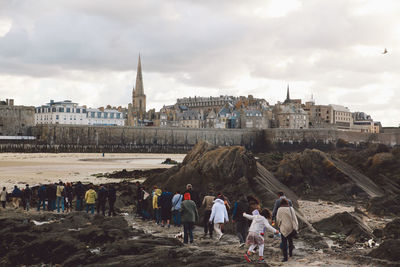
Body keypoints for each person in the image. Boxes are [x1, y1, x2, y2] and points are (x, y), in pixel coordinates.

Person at [276, 198, 298, 262]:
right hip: (291, 227)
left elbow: (278, 219)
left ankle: (285, 258)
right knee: (290, 241)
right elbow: (294, 219)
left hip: (284, 228)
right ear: (287, 203)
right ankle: (291, 254)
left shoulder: (279, 209)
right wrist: (295, 227)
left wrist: (279, 225)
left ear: (281, 204)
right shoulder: (291, 208)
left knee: (284, 243)